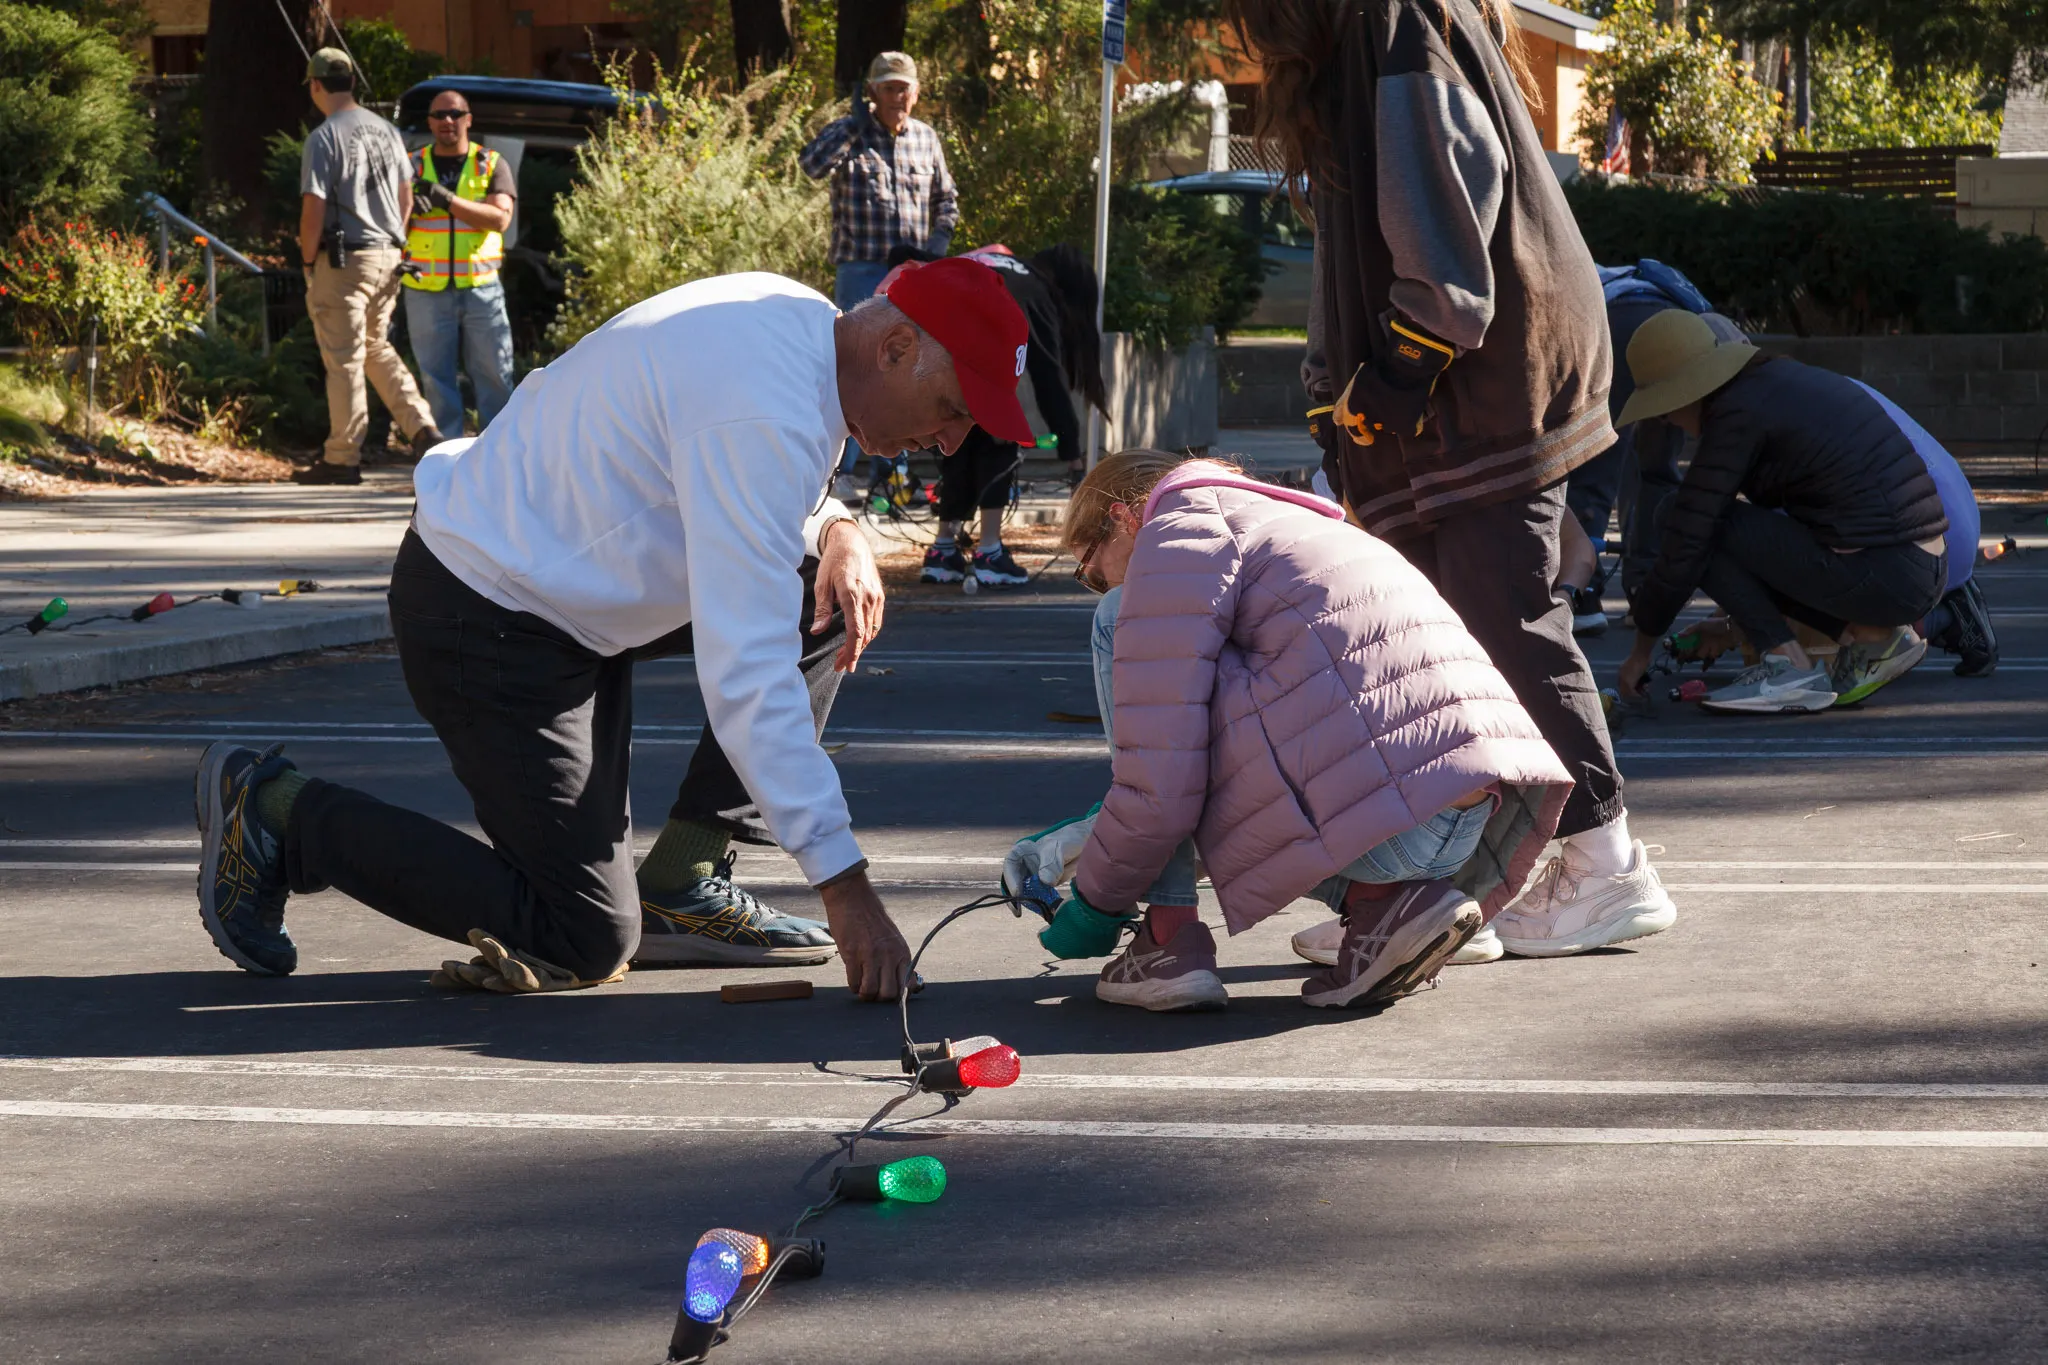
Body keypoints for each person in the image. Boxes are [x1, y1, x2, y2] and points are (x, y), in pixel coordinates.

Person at [190, 258, 1034, 1002]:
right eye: (954, 408)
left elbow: (740, 477)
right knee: (584, 937)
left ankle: (685, 878)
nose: (951, 439)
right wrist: (846, 890)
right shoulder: (763, 407)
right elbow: (746, 675)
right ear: (895, 349)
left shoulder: (792, 320)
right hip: (486, 618)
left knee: (821, 590)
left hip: (561, 603)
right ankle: (279, 813)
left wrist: (836, 529)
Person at [1237, 0, 1676, 960]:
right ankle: (1461, 887)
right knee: (1440, 639)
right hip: (1461, 375)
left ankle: (1606, 862)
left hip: (1486, 375)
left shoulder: (1387, 19)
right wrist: (1337, 387)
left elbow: (1444, 220)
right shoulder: (1368, 32)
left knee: (1504, 616)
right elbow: (1353, 245)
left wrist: (1398, 366)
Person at [1005, 452, 1573, 1012]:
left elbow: (1165, 780)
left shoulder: (1176, 544)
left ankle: (1168, 941)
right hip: (1469, 812)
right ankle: (1381, 909)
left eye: (1089, 566)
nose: (1096, 579)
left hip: (1391, 819)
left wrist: (1096, 905)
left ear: (1123, 519)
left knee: (1126, 635)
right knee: (1189, 738)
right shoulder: (1294, 526)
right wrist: (1080, 840)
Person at [1615, 309, 1950, 713]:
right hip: (1919, 566)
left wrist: (1640, 651)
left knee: (1675, 516)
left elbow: (1687, 538)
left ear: (1686, 391)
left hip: (1887, 572)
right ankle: (1879, 636)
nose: (1670, 422)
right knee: (1708, 522)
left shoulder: (1736, 415)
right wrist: (1729, 623)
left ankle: (1787, 668)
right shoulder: (1774, 384)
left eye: (1664, 411)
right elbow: (1759, 546)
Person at [889, 243, 1106, 587]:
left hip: (927, 337)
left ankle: (943, 549)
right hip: (973, 346)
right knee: (999, 438)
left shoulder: (999, 262)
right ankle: (989, 551)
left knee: (959, 438)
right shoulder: (1036, 290)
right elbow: (1048, 376)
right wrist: (1072, 454)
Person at [800, 52, 958, 497]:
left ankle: (891, 478)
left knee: (907, 368)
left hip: (909, 274)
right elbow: (810, 165)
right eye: (888, 87)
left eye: (904, 87)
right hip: (859, 270)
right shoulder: (849, 133)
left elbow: (947, 200)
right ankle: (838, 473)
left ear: (916, 92)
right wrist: (851, 123)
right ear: (871, 93)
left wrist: (936, 250)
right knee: (848, 367)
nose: (898, 96)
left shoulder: (926, 139)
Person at [295, 48, 443, 487]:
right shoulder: (386, 131)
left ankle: (342, 456)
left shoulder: (324, 138)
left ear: (316, 85)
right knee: (376, 347)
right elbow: (405, 195)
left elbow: (313, 207)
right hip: (389, 256)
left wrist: (307, 261)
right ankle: (423, 431)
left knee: (343, 358)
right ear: (352, 83)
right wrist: (396, 240)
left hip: (345, 259)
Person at [401, 88, 518, 440]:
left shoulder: (491, 163)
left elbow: (499, 219)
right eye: (439, 115)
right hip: (425, 289)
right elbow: (391, 222)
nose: (447, 121)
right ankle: (446, 464)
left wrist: (445, 199)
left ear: (468, 119)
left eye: (454, 114)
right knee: (435, 380)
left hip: (481, 288)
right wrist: (409, 209)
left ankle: (498, 458)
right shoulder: (411, 164)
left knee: (495, 375)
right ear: (429, 122)